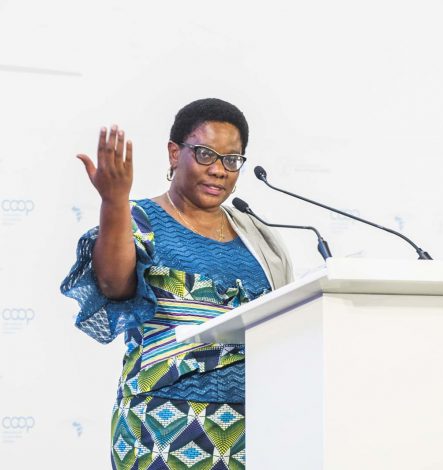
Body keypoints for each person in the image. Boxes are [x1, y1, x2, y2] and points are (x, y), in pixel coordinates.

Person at [61, 98, 293, 470]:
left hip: (252, 433)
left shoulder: (257, 236)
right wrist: (114, 201)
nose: (218, 170)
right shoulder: (141, 219)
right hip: (160, 430)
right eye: (205, 154)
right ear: (174, 153)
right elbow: (113, 284)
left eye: (231, 160)